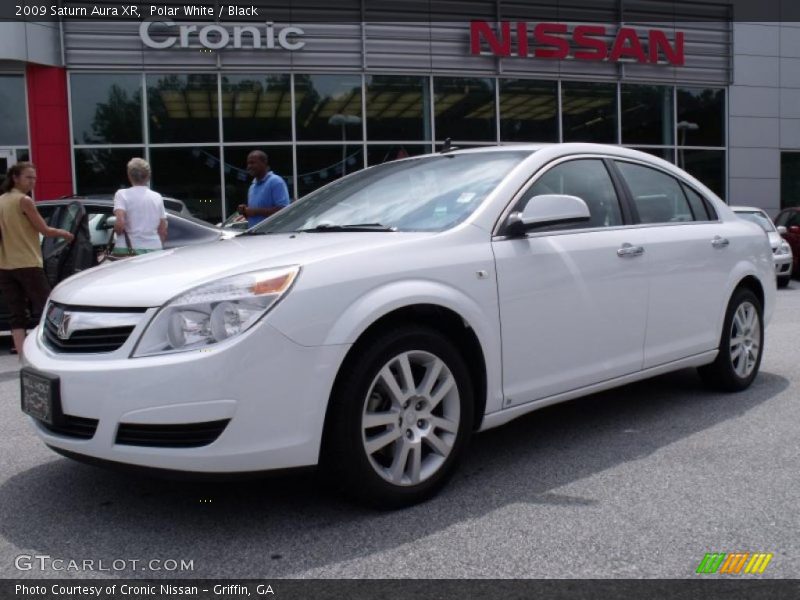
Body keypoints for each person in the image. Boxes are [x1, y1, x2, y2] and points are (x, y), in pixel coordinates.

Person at [0, 162, 74, 358]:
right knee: (48, 306)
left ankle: (22, 355)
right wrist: (66, 233)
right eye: (28, 177)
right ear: (15, 178)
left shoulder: (1, 200)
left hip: (5, 265)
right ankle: (64, 347)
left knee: (16, 314)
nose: (33, 181)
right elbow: (45, 230)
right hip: (27, 262)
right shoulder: (24, 200)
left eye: (34, 177)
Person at [113, 158, 167, 256]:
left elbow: (120, 224)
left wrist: (116, 229)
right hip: (153, 247)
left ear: (129, 176)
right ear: (148, 176)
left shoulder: (121, 194)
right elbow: (162, 230)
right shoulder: (157, 197)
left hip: (127, 249)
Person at [237, 151, 290, 227]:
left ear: (264, 163)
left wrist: (255, 211)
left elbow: (284, 211)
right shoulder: (252, 186)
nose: (249, 166)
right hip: (254, 235)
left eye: (252, 163)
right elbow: (254, 217)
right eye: (248, 163)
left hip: (272, 236)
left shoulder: (275, 181)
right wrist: (245, 211)